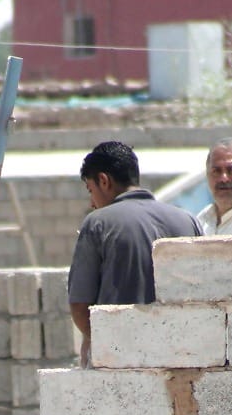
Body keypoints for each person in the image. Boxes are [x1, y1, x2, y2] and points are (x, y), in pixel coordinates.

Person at [67, 140, 201, 365]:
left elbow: (80, 305)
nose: (92, 202)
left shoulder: (98, 224)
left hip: (122, 363)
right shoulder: (189, 221)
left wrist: (101, 341)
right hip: (182, 359)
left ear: (103, 180)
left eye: (91, 190)